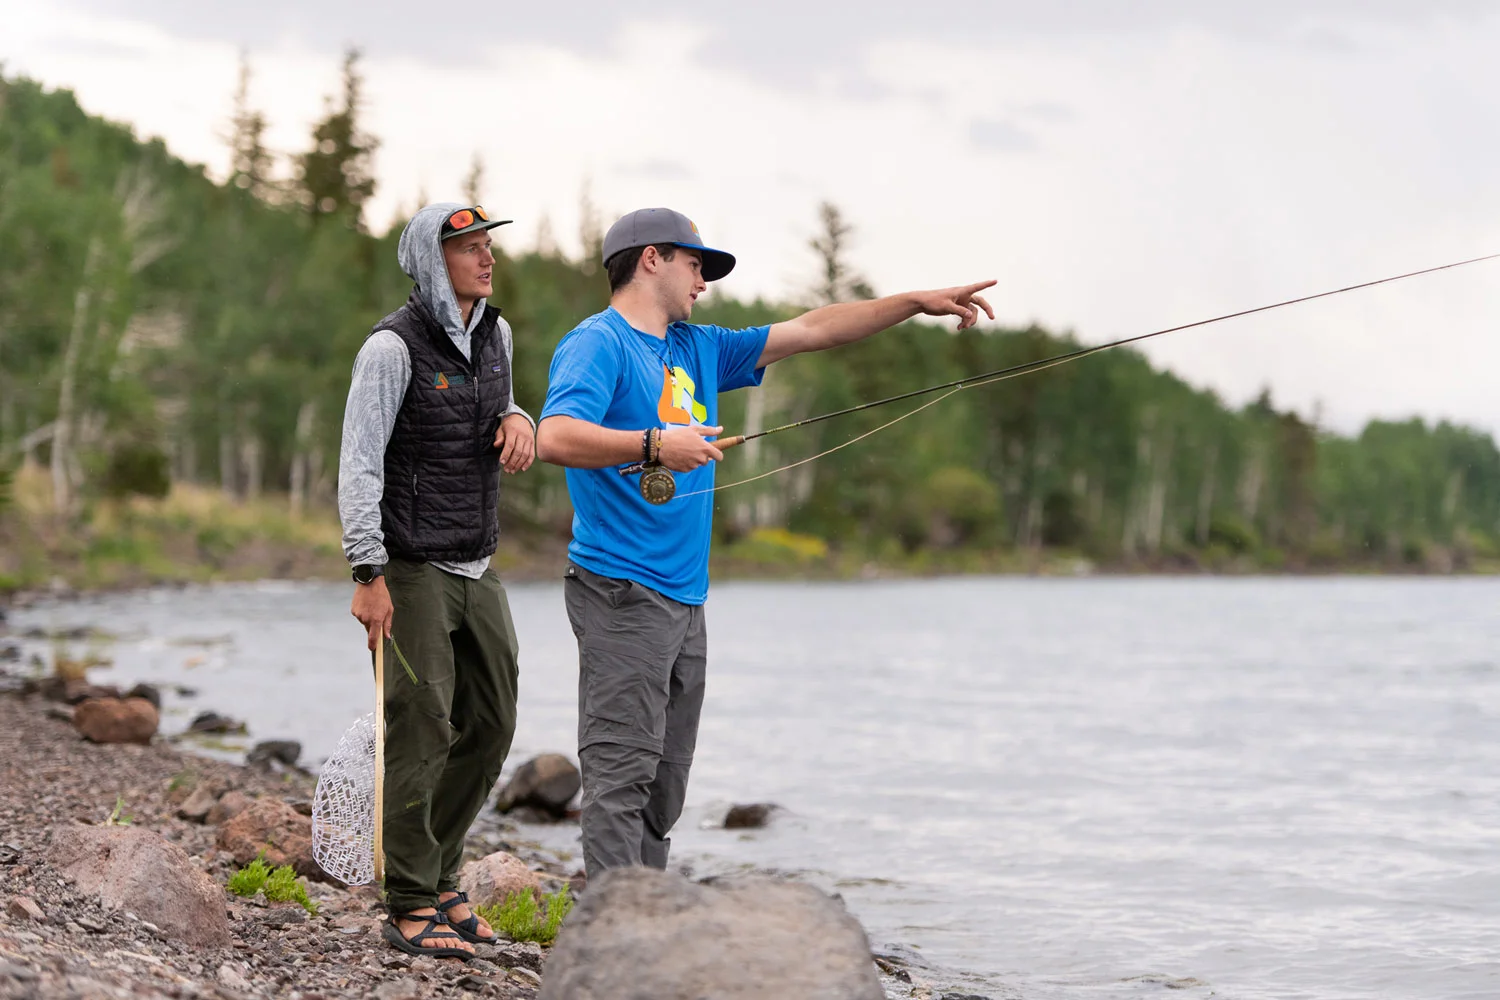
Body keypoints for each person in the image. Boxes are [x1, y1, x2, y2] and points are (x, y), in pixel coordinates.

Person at [537, 206, 993, 879]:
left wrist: (912, 303)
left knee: (665, 785)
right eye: (697, 264)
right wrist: (657, 442)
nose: (703, 281)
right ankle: (609, 930)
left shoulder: (699, 347)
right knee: (622, 774)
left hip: (685, 599)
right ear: (652, 258)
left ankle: (646, 910)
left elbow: (814, 330)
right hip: (620, 590)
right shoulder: (598, 343)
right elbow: (555, 436)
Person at [338, 202, 535, 959]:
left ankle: (443, 872)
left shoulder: (497, 332)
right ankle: (411, 899)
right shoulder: (390, 349)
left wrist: (517, 416)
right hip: (409, 565)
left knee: (491, 723)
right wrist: (368, 571)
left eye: (488, 245)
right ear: (431, 259)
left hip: (477, 560)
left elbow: (500, 405)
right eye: (469, 248)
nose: (486, 259)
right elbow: (358, 461)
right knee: (420, 727)